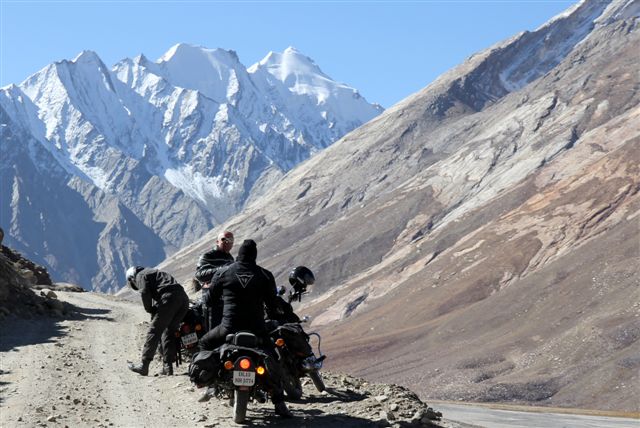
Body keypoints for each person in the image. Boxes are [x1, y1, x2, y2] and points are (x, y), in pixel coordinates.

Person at [198, 239, 293, 418]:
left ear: (239, 254)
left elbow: (209, 300)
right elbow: (273, 305)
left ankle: (211, 384)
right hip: (256, 329)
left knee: (204, 343)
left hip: (228, 327)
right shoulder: (265, 275)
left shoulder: (224, 271)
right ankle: (279, 402)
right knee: (272, 356)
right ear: (254, 256)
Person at [126, 266, 189, 376]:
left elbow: (145, 292)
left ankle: (144, 366)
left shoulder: (140, 275)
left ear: (132, 278)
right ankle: (167, 367)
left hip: (169, 298)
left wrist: (149, 309)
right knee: (169, 332)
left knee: (154, 331)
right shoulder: (155, 272)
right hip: (183, 299)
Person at [194, 231, 235, 331]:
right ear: (217, 241)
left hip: (227, 302)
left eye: (230, 240)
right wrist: (222, 270)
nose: (227, 242)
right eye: (224, 239)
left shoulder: (230, 259)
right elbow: (199, 275)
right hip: (212, 303)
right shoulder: (207, 256)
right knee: (213, 334)